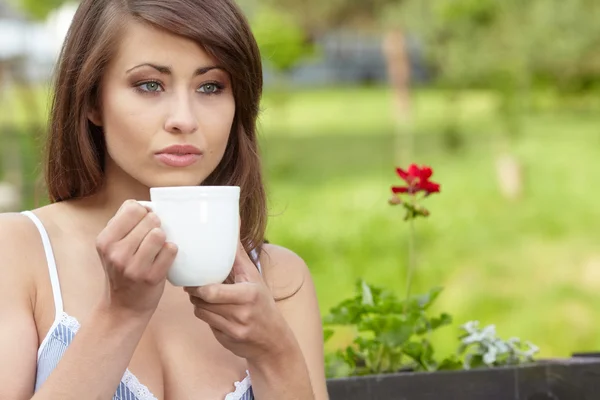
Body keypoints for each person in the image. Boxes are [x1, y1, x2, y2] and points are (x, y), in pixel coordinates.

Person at [0, 0, 328, 399]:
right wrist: (120, 314)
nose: (184, 119)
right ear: (91, 100)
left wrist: (274, 353)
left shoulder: (280, 279)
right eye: (149, 85)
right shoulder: (17, 252)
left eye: (211, 87)